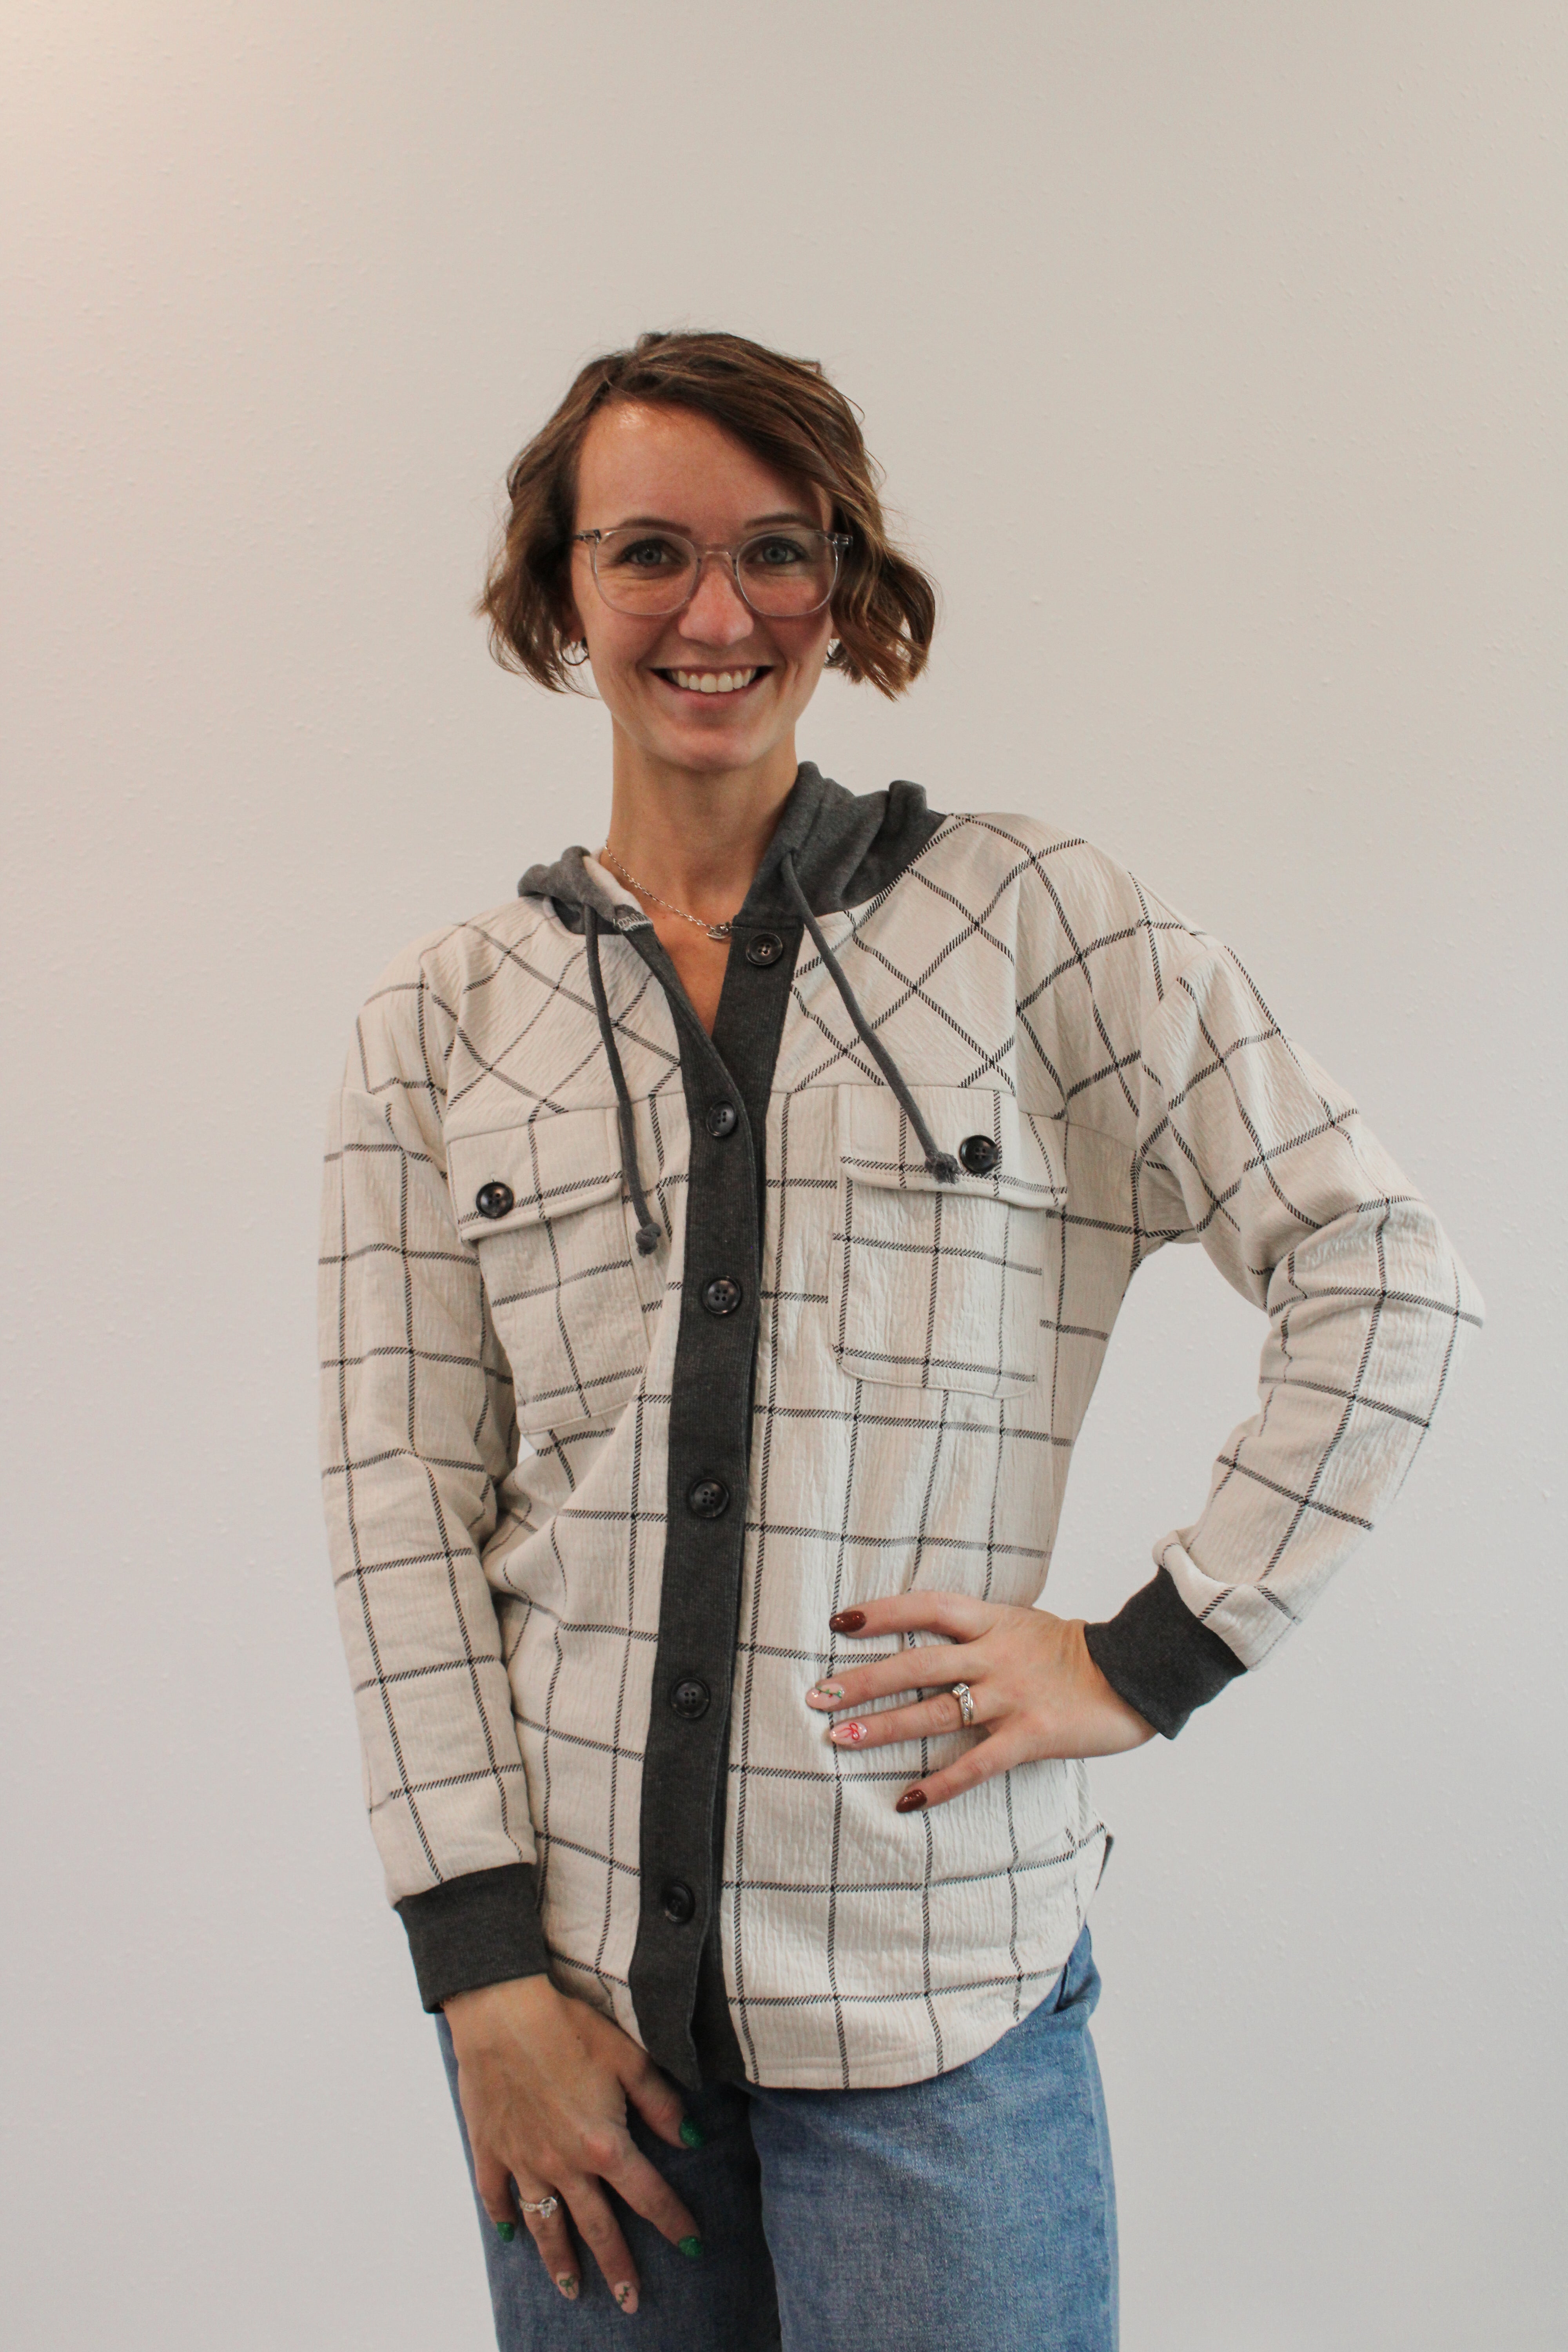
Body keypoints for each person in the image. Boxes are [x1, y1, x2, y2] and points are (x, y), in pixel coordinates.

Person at [318, 329, 1480, 2351]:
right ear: (559, 588)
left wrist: (1151, 1654)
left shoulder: (1044, 927)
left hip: (943, 2009)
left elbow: (1382, 1268)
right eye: (649, 552)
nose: (716, 615)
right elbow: (399, 1510)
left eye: (778, 552)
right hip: (577, 2037)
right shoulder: (441, 1022)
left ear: (844, 586)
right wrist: (480, 1978)